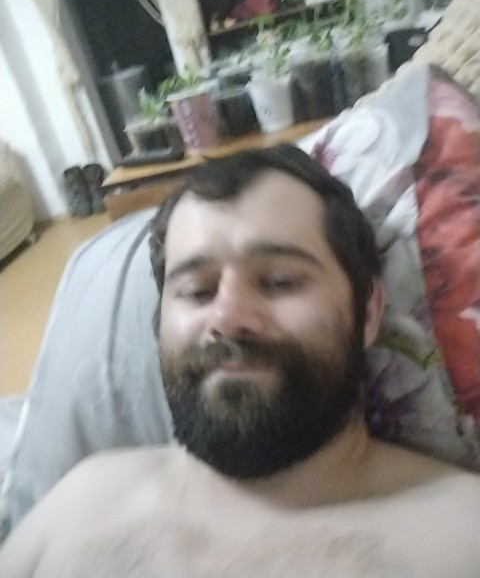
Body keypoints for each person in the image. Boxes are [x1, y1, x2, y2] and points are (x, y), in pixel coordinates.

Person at [1, 145, 479, 577]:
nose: (227, 318)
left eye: (279, 282)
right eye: (197, 291)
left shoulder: (461, 539)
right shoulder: (82, 498)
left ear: (368, 311)